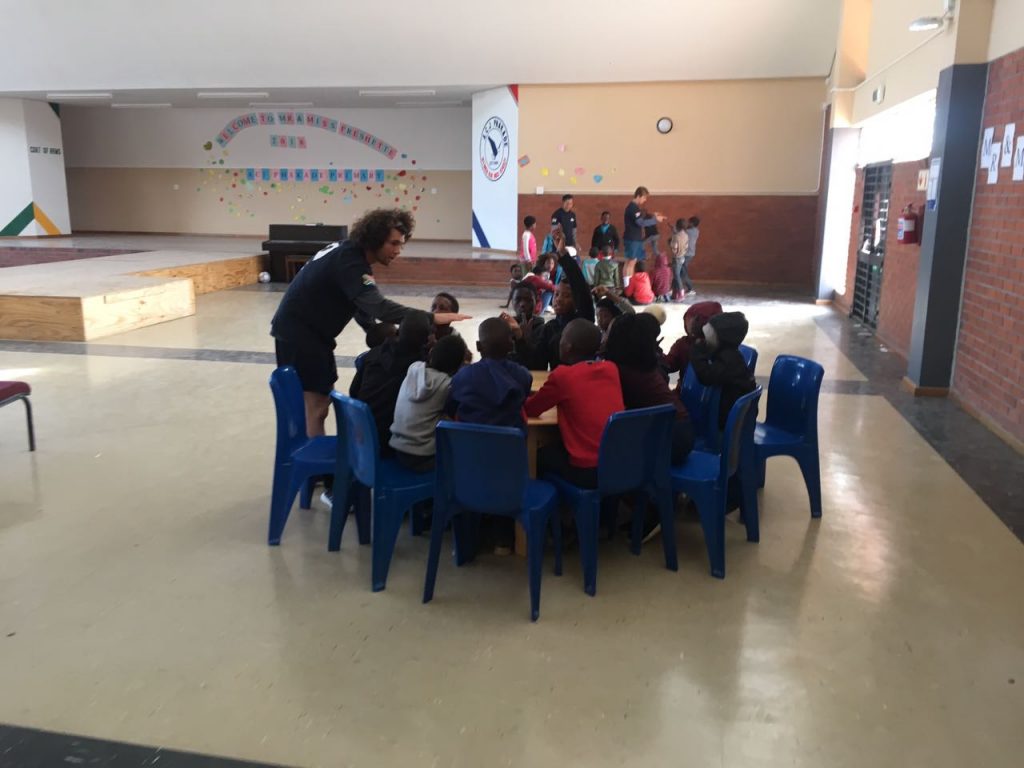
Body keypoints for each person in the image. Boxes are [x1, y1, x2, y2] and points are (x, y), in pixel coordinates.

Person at [271, 208, 468, 441]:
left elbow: (357, 301)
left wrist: (375, 331)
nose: (398, 251)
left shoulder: (349, 254)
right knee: (317, 406)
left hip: (302, 333)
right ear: (374, 239)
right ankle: (316, 471)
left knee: (313, 404)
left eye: (401, 244)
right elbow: (378, 306)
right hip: (302, 336)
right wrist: (428, 318)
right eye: (393, 244)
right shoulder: (351, 262)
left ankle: (308, 459)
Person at [448, 318, 534, 554]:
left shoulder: (462, 378)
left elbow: (450, 406)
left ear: (478, 346)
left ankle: (468, 538)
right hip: (510, 465)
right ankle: (504, 540)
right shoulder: (522, 376)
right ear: (511, 345)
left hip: (468, 465)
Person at [524, 319, 624, 490]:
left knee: (534, 456)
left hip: (588, 471)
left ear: (568, 346)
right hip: (618, 463)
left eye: (562, 337)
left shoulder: (563, 376)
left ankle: (553, 509)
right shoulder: (611, 369)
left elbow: (530, 409)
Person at [604, 313, 693, 465]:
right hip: (681, 432)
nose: (605, 336)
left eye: (608, 333)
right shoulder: (643, 364)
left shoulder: (622, 371)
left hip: (670, 438)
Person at [349, 312, 434, 456]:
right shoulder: (421, 369)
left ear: (398, 332)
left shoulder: (373, 354)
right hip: (390, 444)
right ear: (427, 340)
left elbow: (353, 391)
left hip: (359, 436)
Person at [389, 334, 468, 472]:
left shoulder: (414, 369)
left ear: (432, 352)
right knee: (466, 455)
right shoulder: (447, 386)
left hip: (398, 449)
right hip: (424, 457)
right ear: (459, 365)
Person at [690, 311, 756, 430]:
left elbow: (706, 376)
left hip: (731, 421)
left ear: (722, 339)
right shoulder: (726, 352)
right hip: (725, 412)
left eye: (709, 337)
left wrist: (697, 353)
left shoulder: (731, 361)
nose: (706, 340)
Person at [663, 301, 723, 393]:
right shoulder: (727, 346)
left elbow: (668, 366)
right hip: (715, 402)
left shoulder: (684, 344)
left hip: (685, 395)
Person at [622, 187, 665, 287]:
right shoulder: (633, 208)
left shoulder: (634, 208)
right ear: (639, 196)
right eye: (644, 198)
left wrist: (653, 216)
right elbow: (640, 223)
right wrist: (655, 220)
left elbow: (640, 217)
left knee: (629, 262)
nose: (645, 200)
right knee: (631, 262)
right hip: (632, 239)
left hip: (633, 238)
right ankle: (628, 287)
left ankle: (627, 286)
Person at [502, 285, 548, 371]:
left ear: (536, 301)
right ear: (512, 302)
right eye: (518, 299)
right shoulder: (506, 327)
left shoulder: (543, 329)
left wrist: (526, 340)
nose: (522, 304)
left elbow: (540, 365)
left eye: (528, 300)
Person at [683, 216, 701, 295]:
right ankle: (675, 288)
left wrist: (673, 228)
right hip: (689, 253)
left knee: (682, 272)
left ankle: (690, 288)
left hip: (687, 254)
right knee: (680, 271)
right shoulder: (696, 230)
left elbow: (679, 232)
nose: (688, 223)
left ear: (692, 223)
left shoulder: (689, 231)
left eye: (689, 222)